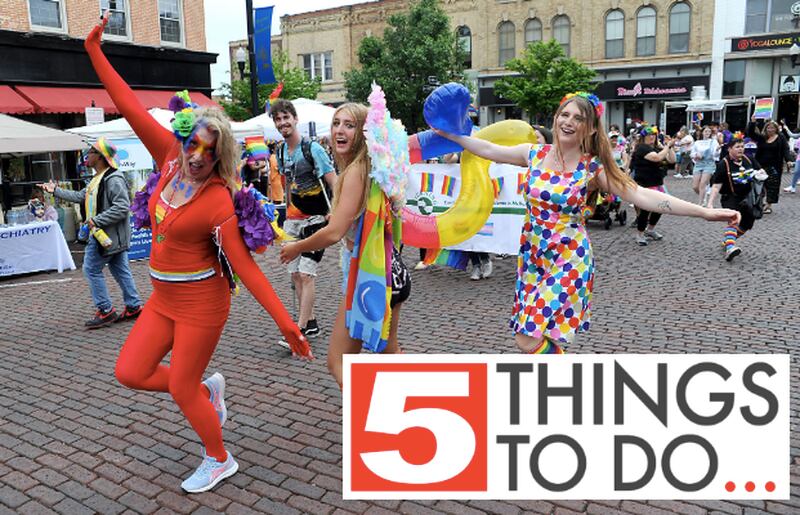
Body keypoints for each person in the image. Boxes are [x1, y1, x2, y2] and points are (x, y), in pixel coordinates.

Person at [81, 13, 310, 493]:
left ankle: (219, 456)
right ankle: (209, 393)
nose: (194, 157)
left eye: (206, 153)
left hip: (203, 303)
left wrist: (286, 322)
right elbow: (128, 103)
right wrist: (95, 52)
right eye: (191, 147)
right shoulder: (167, 157)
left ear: (219, 155)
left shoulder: (218, 201)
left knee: (181, 386)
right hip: (163, 298)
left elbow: (245, 268)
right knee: (130, 371)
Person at [434, 92, 739, 354]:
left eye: (578, 118)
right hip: (533, 259)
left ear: (589, 128)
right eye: (564, 114)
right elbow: (486, 148)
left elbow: (642, 195)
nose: (568, 121)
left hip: (569, 258)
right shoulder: (534, 154)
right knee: (541, 337)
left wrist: (705, 212)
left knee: (526, 337)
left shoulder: (592, 167)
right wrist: (449, 135)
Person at [279, 102, 409, 387]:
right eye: (336, 123)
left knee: (338, 361)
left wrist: (296, 248)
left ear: (363, 133)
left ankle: (373, 420)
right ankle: (403, 412)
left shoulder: (354, 172)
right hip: (391, 272)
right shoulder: (370, 167)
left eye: (349, 125)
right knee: (390, 355)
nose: (339, 130)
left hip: (371, 275)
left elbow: (334, 233)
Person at [40, 137, 143, 328]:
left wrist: (96, 220)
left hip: (103, 235)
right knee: (120, 270)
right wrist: (55, 191)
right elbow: (81, 197)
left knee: (91, 270)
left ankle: (105, 310)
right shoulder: (98, 179)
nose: (87, 155)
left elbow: (122, 207)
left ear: (101, 157)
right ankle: (134, 306)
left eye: (92, 151)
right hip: (108, 236)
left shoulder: (112, 179)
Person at [271, 99, 336, 339]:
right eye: (278, 119)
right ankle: (310, 323)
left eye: (286, 117)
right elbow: (288, 182)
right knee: (296, 274)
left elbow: (333, 181)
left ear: (295, 119)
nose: (282, 123)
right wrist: (286, 211)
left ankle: (298, 330)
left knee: (307, 274)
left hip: (316, 218)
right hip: (293, 219)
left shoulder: (313, 149)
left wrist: (335, 210)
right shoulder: (279, 150)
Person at [707, 138, 764, 261]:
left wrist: (760, 174)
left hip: (749, 198)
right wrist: (710, 203)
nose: (741, 149)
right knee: (734, 220)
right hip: (731, 198)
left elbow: (760, 171)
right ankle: (730, 248)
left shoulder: (749, 159)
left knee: (746, 225)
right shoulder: (724, 164)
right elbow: (716, 185)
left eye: (742, 146)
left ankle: (728, 240)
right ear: (729, 149)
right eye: (737, 147)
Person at [630, 125, 676, 246]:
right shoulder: (641, 148)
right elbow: (657, 158)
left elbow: (672, 160)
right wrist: (666, 147)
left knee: (661, 207)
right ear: (644, 137)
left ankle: (650, 230)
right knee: (646, 210)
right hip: (645, 184)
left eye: (654, 135)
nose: (652, 137)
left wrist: (669, 147)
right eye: (649, 135)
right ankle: (639, 234)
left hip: (657, 183)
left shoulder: (656, 148)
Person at [746, 116, 791, 214]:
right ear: (765, 129)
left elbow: (785, 149)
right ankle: (759, 202)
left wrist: (788, 160)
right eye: (768, 128)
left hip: (774, 166)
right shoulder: (762, 138)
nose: (770, 130)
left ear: (776, 129)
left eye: (772, 128)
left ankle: (768, 205)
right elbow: (751, 134)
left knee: (772, 186)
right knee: (759, 185)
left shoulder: (781, 138)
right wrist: (753, 122)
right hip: (761, 165)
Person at [690, 126, 720, 205]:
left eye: (709, 132)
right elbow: (692, 153)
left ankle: (700, 203)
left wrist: (717, 150)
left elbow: (715, 154)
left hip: (709, 163)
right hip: (699, 164)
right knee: (695, 186)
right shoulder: (697, 142)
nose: (707, 133)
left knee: (703, 184)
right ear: (702, 132)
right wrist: (696, 155)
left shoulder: (713, 141)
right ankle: (703, 197)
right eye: (706, 131)